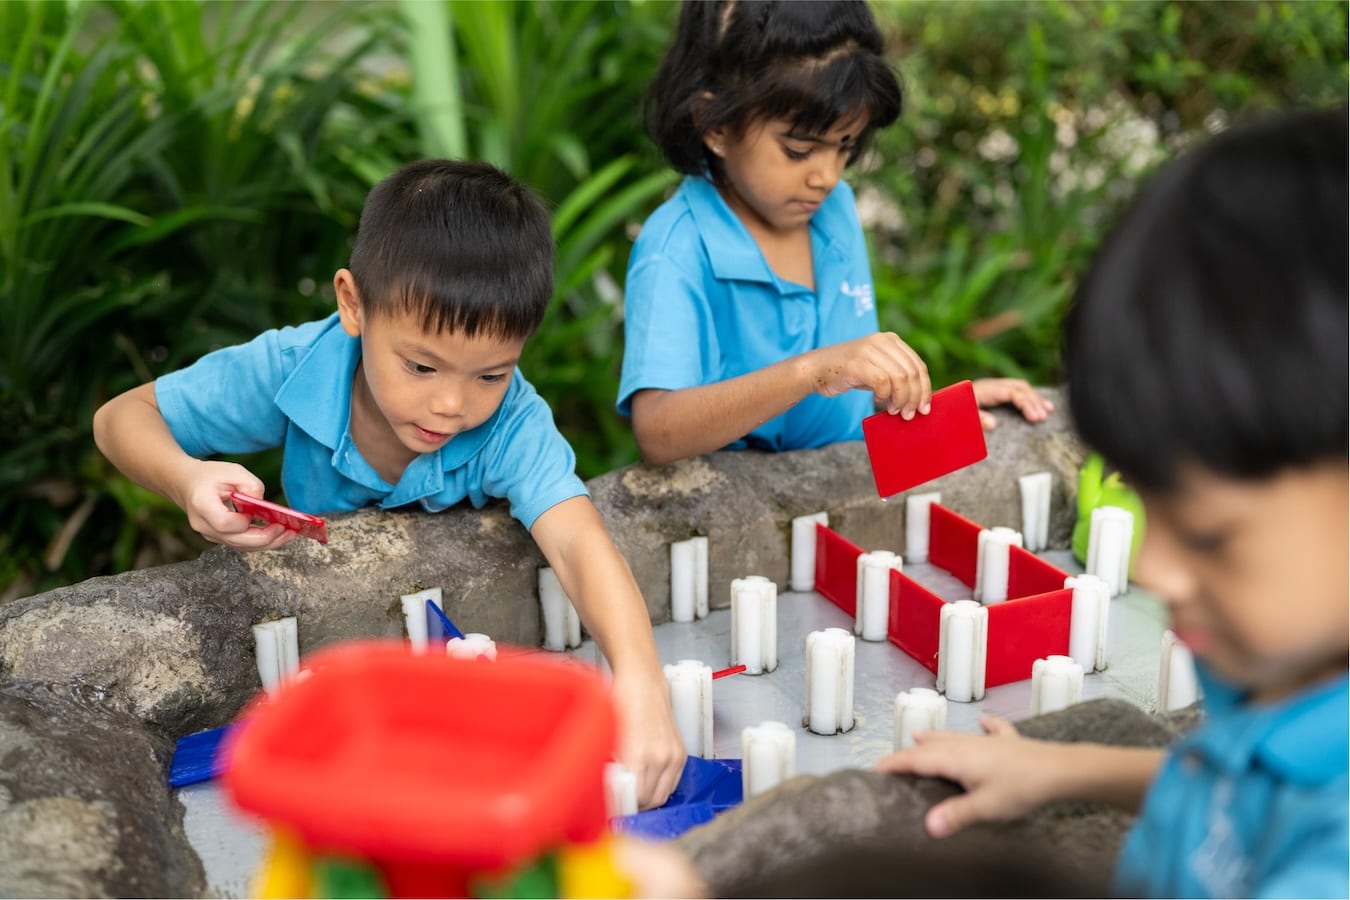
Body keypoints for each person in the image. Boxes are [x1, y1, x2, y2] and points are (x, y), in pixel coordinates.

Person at [93, 159, 686, 809]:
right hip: (338, 686)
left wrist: (641, 682)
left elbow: (577, 540)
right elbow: (121, 417)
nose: (451, 405)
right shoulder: (296, 367)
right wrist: (188, 479)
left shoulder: (513, 422)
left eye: (490, 374)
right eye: (422, 366)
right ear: (353, 304)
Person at [877, 107, 1348, 897]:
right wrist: (1060, 770)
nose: (1153, 565)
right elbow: (1234, 789)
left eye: (1208, 534)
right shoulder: (1284, 664)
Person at [618, 0, 1053, 465]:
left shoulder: (833, 209)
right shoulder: (678, 249)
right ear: (716, 125)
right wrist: (812, 371)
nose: (825, 176)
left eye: (844, 145)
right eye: (799, 150)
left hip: (839, 493)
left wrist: (928, 408)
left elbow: (843, 400)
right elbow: (658, 431)